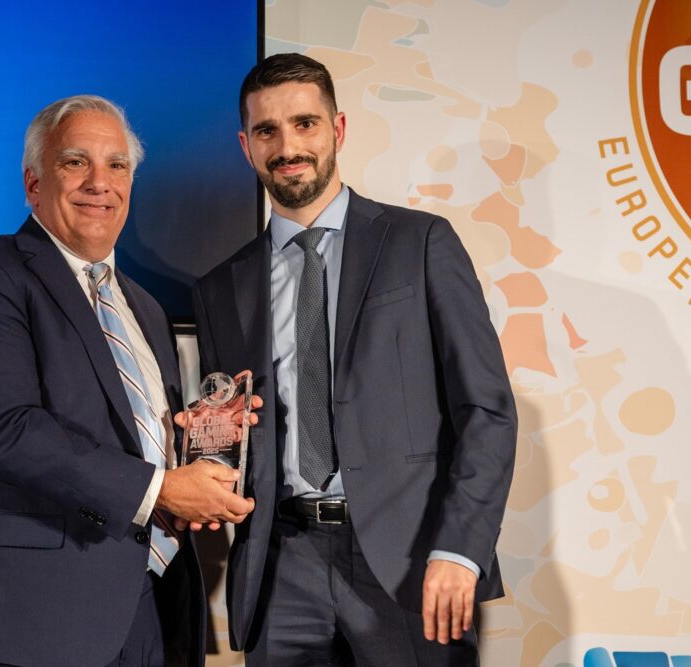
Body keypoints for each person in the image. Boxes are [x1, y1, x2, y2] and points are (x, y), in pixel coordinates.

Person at [192, 54, 517, 665]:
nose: (288, 146)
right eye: (267, 130)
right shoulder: (219, 289)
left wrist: (460, 548)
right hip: (280, 568)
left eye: (305, 124)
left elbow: (487, 410)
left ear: (337, 129)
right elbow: (229, 431)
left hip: (411, 561)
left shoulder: (421, 242)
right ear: (246, 146)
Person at [0, 95, 254, 667]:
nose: (99, 183)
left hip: (158, 606)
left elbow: (135, 438)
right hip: (38, 618)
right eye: (75, 162)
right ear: (34, 183)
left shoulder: (146, 308)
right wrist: (159, 490)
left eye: (117, 165)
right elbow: (5, 430)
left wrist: (208, 446)